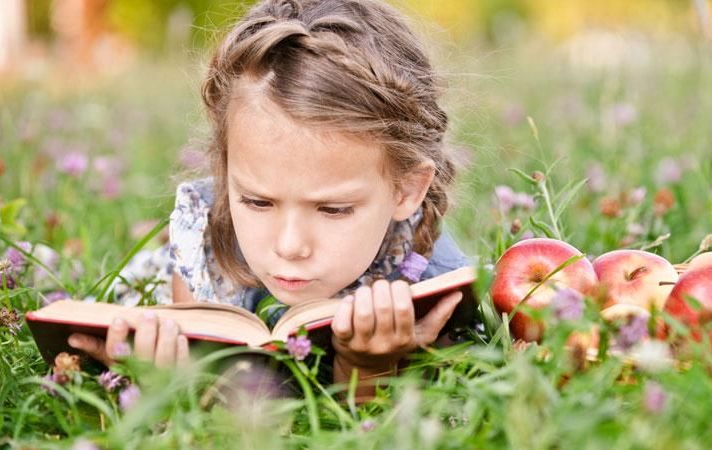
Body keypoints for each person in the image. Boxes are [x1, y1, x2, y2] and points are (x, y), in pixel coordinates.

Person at [67, 0, 474, 400]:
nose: (289, 246)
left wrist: (368, 368)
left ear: (406, 190)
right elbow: (221, 406)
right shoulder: (205, 250)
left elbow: (368, 428)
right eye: (258, 202)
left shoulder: (433, 283)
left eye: (333, 209)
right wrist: (170, 382)